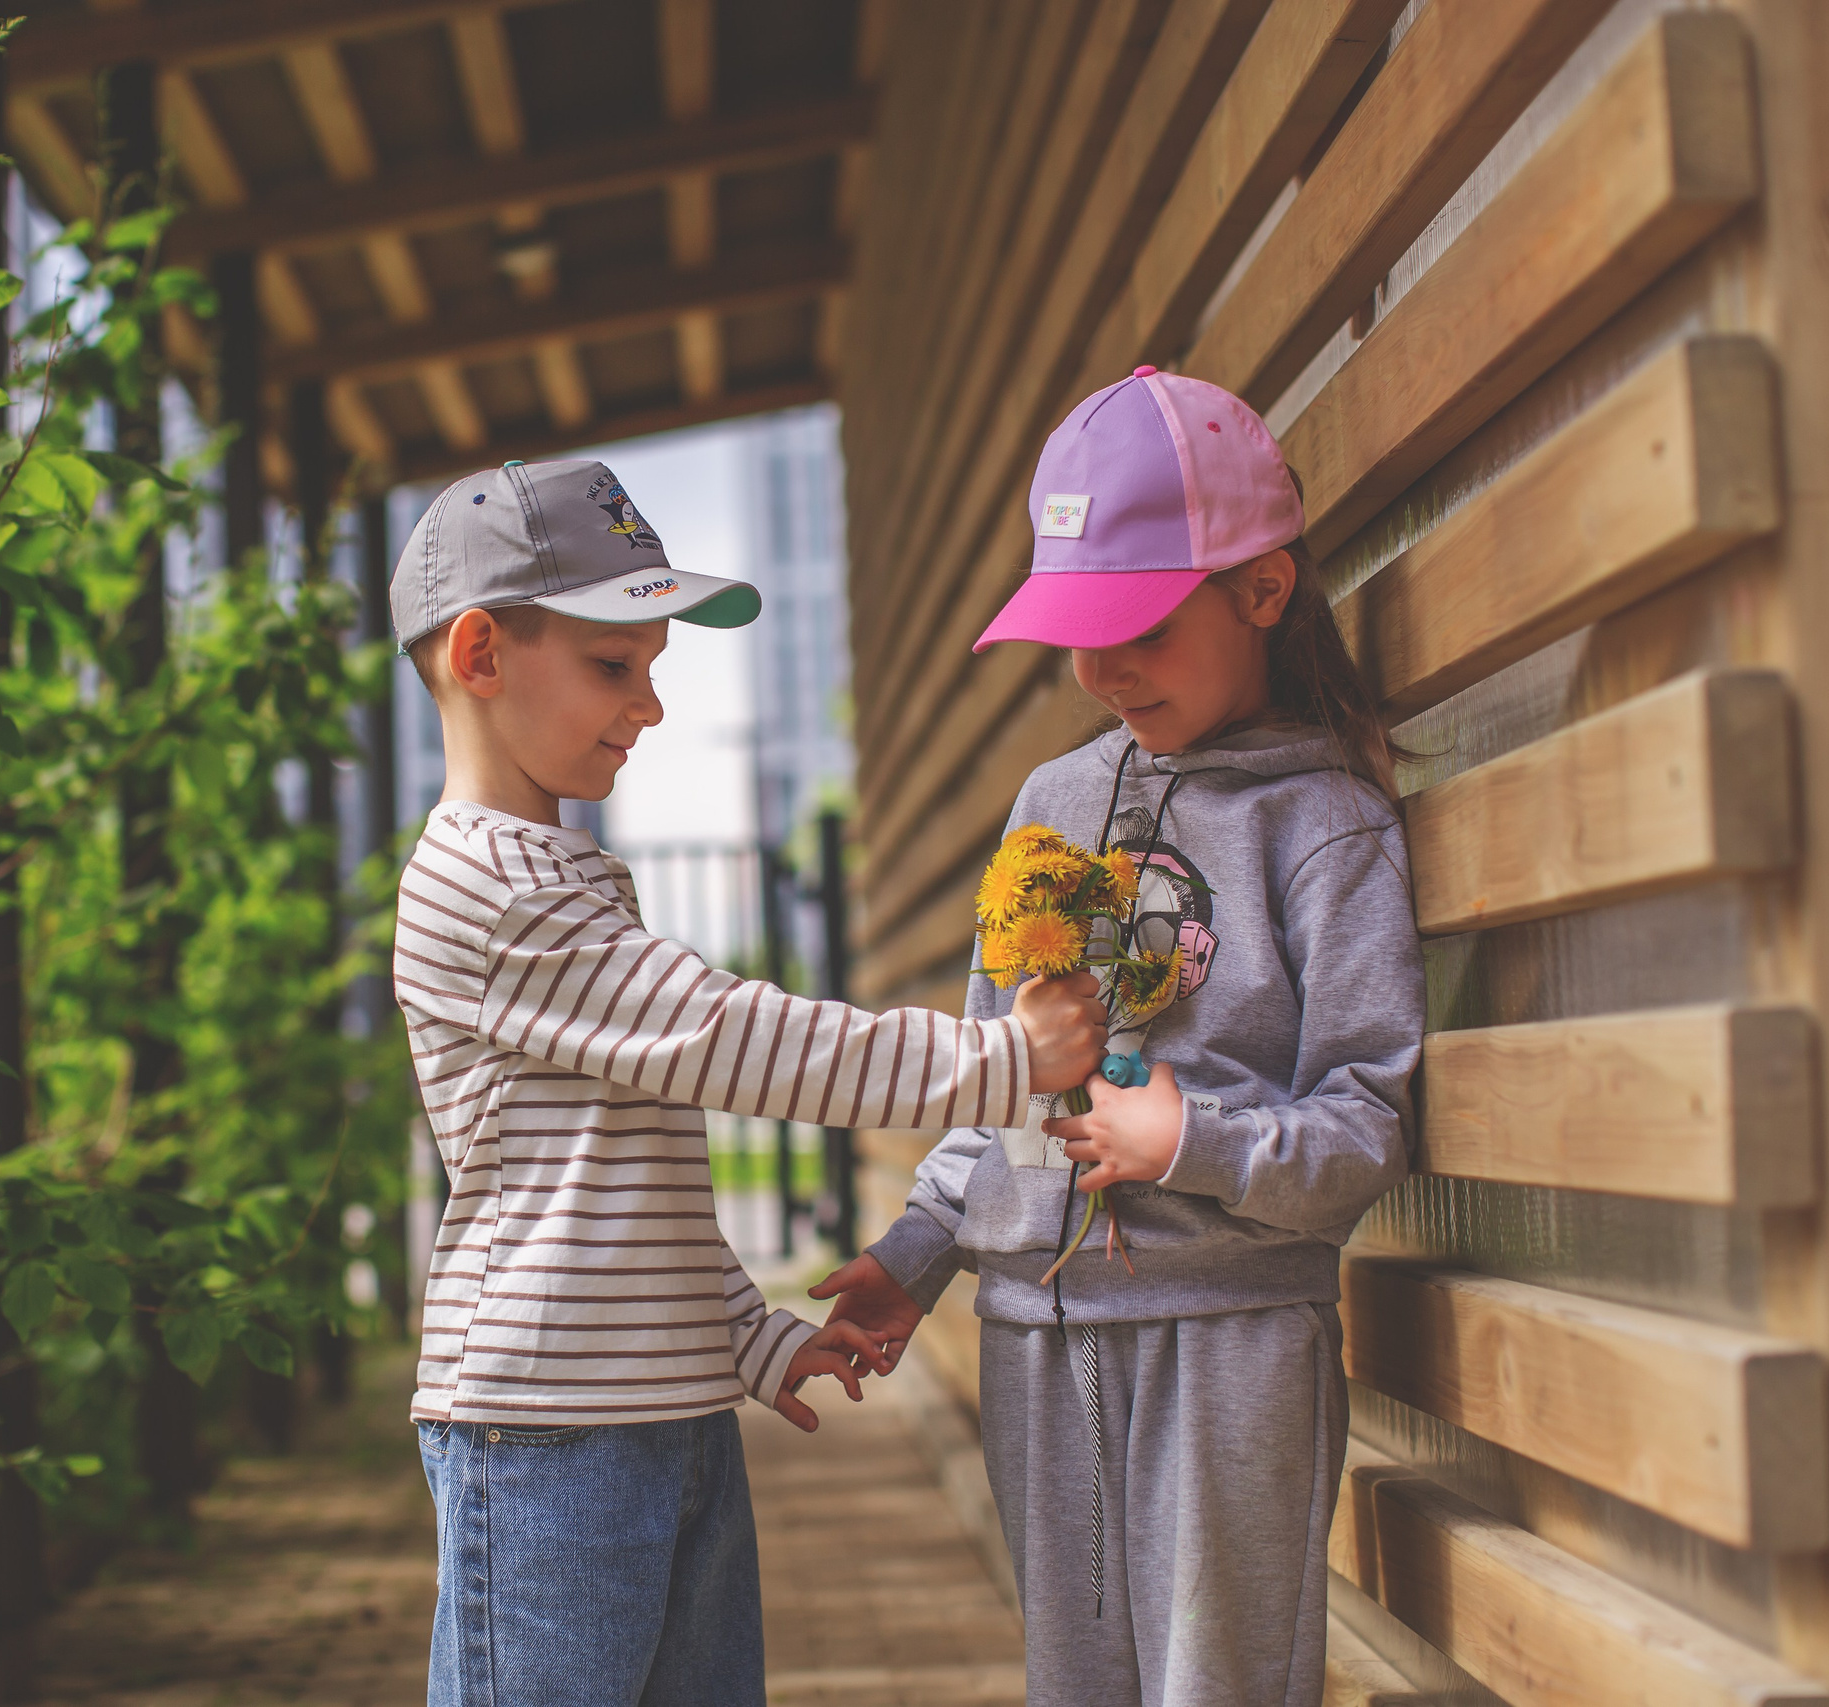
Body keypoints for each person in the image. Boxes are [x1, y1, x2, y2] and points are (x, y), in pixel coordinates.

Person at [387, 457, 1109, 1707]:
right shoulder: (489, 889)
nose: (651, 704)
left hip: (657, 1421)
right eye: (616, 666)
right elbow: (739, 1040)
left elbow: (627, 1189)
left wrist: (749, 1339)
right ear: (481, 654)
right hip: (546, 1432)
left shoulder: (560, 876)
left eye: (652, 667)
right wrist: (1005, 1061)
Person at [813, 369, 1426, 1707]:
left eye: (1136, 623)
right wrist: (920, 1251)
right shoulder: (1053, 797)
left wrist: (1188, 1139)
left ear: (1263, 589)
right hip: (1036, 1334)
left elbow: (1368, 1123)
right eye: (1076, 633)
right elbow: (995, 1070)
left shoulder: (1323, 822)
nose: (1099, 669)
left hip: (1231, 1336)